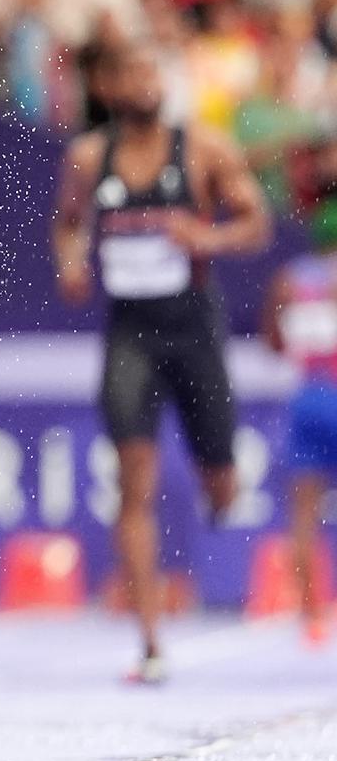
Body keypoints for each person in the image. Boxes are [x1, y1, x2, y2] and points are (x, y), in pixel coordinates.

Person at [53, 39, 269, 682]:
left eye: (155, 73)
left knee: (220, 483)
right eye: (134, 75)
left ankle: (217, 485)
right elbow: (68, 222)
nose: (147, 84)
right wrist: (69, 261)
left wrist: (207, 236)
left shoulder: (204, 149)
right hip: (131, 336)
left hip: (194, 330)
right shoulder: (90, 158)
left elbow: (255, 222)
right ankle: (150, 642)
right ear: (113, 90)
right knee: (133, 481)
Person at [257, 210, 336, 648]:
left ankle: (313, 618)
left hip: (307, 398)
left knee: (304, 517)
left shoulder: (290, 280)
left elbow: (273, 342)